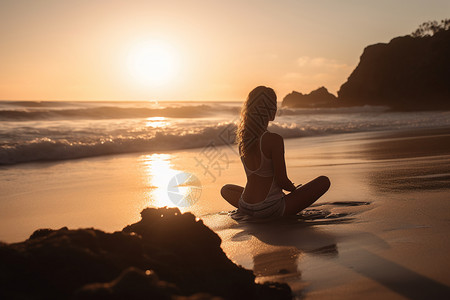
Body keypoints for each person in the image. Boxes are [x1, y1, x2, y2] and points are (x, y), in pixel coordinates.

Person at [220, 86, 330, 218]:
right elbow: (282, 180)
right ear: (271, 111)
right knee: (324, 181)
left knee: (226, 189)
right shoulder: (274, 139)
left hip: (245, 205)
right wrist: (295, 190)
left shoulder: (244, 140)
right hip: (269, 208)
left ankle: (251, 205)